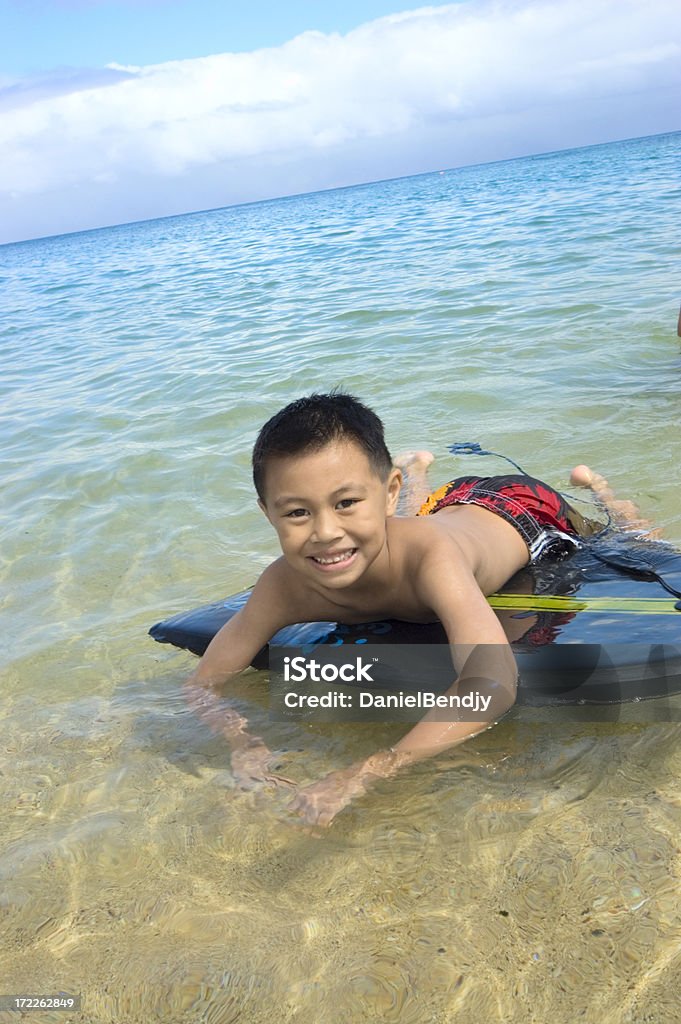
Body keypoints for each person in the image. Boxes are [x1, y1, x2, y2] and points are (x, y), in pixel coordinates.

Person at [183, 392, 638, 826]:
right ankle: (416, 470)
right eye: (297, 513)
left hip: (525, 513)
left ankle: (598, 486)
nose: (324, 532)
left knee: (625, 540)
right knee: (408, 523)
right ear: (268, 513)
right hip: (449, 510)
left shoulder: (432, 561)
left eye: (345, 503)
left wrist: (368, 771)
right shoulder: (283, 586)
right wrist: (241, 743)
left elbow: (494, 685)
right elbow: (204, 683)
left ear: (386, 493)